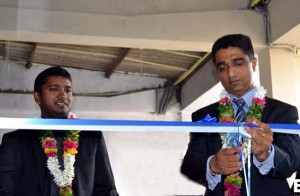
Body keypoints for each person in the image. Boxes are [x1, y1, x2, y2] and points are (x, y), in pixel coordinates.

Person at [181, 34, 300, 196]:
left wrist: (267, 154)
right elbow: (190, 164)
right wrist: (213, 165)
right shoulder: (204, 115)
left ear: (254, 63)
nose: (231, 74)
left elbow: (293, 162)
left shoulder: (283, 112)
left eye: (238, 63)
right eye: (223, 68)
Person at [0, 66, 118, 196]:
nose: (63, 95)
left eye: (68, 90)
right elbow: (5, 191)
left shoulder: (92, 137)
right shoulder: (16, 141)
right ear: (37, 97)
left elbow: (107, 190)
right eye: (54, 89)